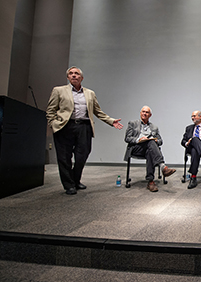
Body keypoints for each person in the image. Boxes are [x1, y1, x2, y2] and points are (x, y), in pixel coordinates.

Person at [46, 66, 123, 195]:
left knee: (82, 155)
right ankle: (69, 185)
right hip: (65, 127)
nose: (73, 75)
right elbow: (50, 110)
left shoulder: (89, 93)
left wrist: (111, 121)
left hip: (84, 127)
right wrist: (54, 124)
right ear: (68, 77)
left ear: (81, 78)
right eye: (71, 73)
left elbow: (97, 111)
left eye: (76, 74)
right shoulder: (59, 90)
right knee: (64, 158)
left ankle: (75, 180)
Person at [124, 106, 176, 192]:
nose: (144, 113)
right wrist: (138, 140)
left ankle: (151, 181)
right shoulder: (132, 123)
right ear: (140, 113)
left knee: (150, 147)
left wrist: (155, 140)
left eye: (147, 112)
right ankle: (163, 166)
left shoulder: (154, 127)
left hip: (149, 149)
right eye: (143, 112)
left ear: (150, 115)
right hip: (136, 148)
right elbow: (127, 138)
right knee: (150, 144)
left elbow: (160, 141)